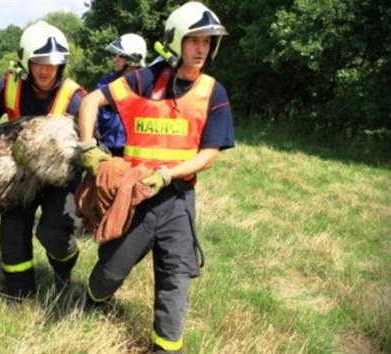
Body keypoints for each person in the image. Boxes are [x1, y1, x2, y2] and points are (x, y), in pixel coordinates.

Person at [77, 2, 235, 352]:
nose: (201, 49)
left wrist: (168, 174)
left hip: (178, 200)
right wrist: (88, 148)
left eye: (207, 42)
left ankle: (165, 347)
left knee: (175, 280)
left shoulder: (213, 91)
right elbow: (90, 103)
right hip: (134, 199)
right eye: (194, 40)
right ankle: (91, 303)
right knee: (110, 274)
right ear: (176, 41)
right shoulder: (143, 79)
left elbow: (209, 154)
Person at [0, 20, 86, 301]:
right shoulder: (8, 84)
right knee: (12, 228)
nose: (46, 69)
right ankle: (19, 292)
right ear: (25, 62)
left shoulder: (75, 97)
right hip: (20, 174)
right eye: (39, 62)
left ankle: (63, 273)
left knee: (54, 232)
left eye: (53, 63)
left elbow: (92, 139)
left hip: (62, 177)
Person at [96, 33, 147, 157]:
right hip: (106, 154)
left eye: (120, 56)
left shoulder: (149, 86)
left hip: (137, 156)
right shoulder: (104, 85)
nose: (115, 59)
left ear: (133, 59)